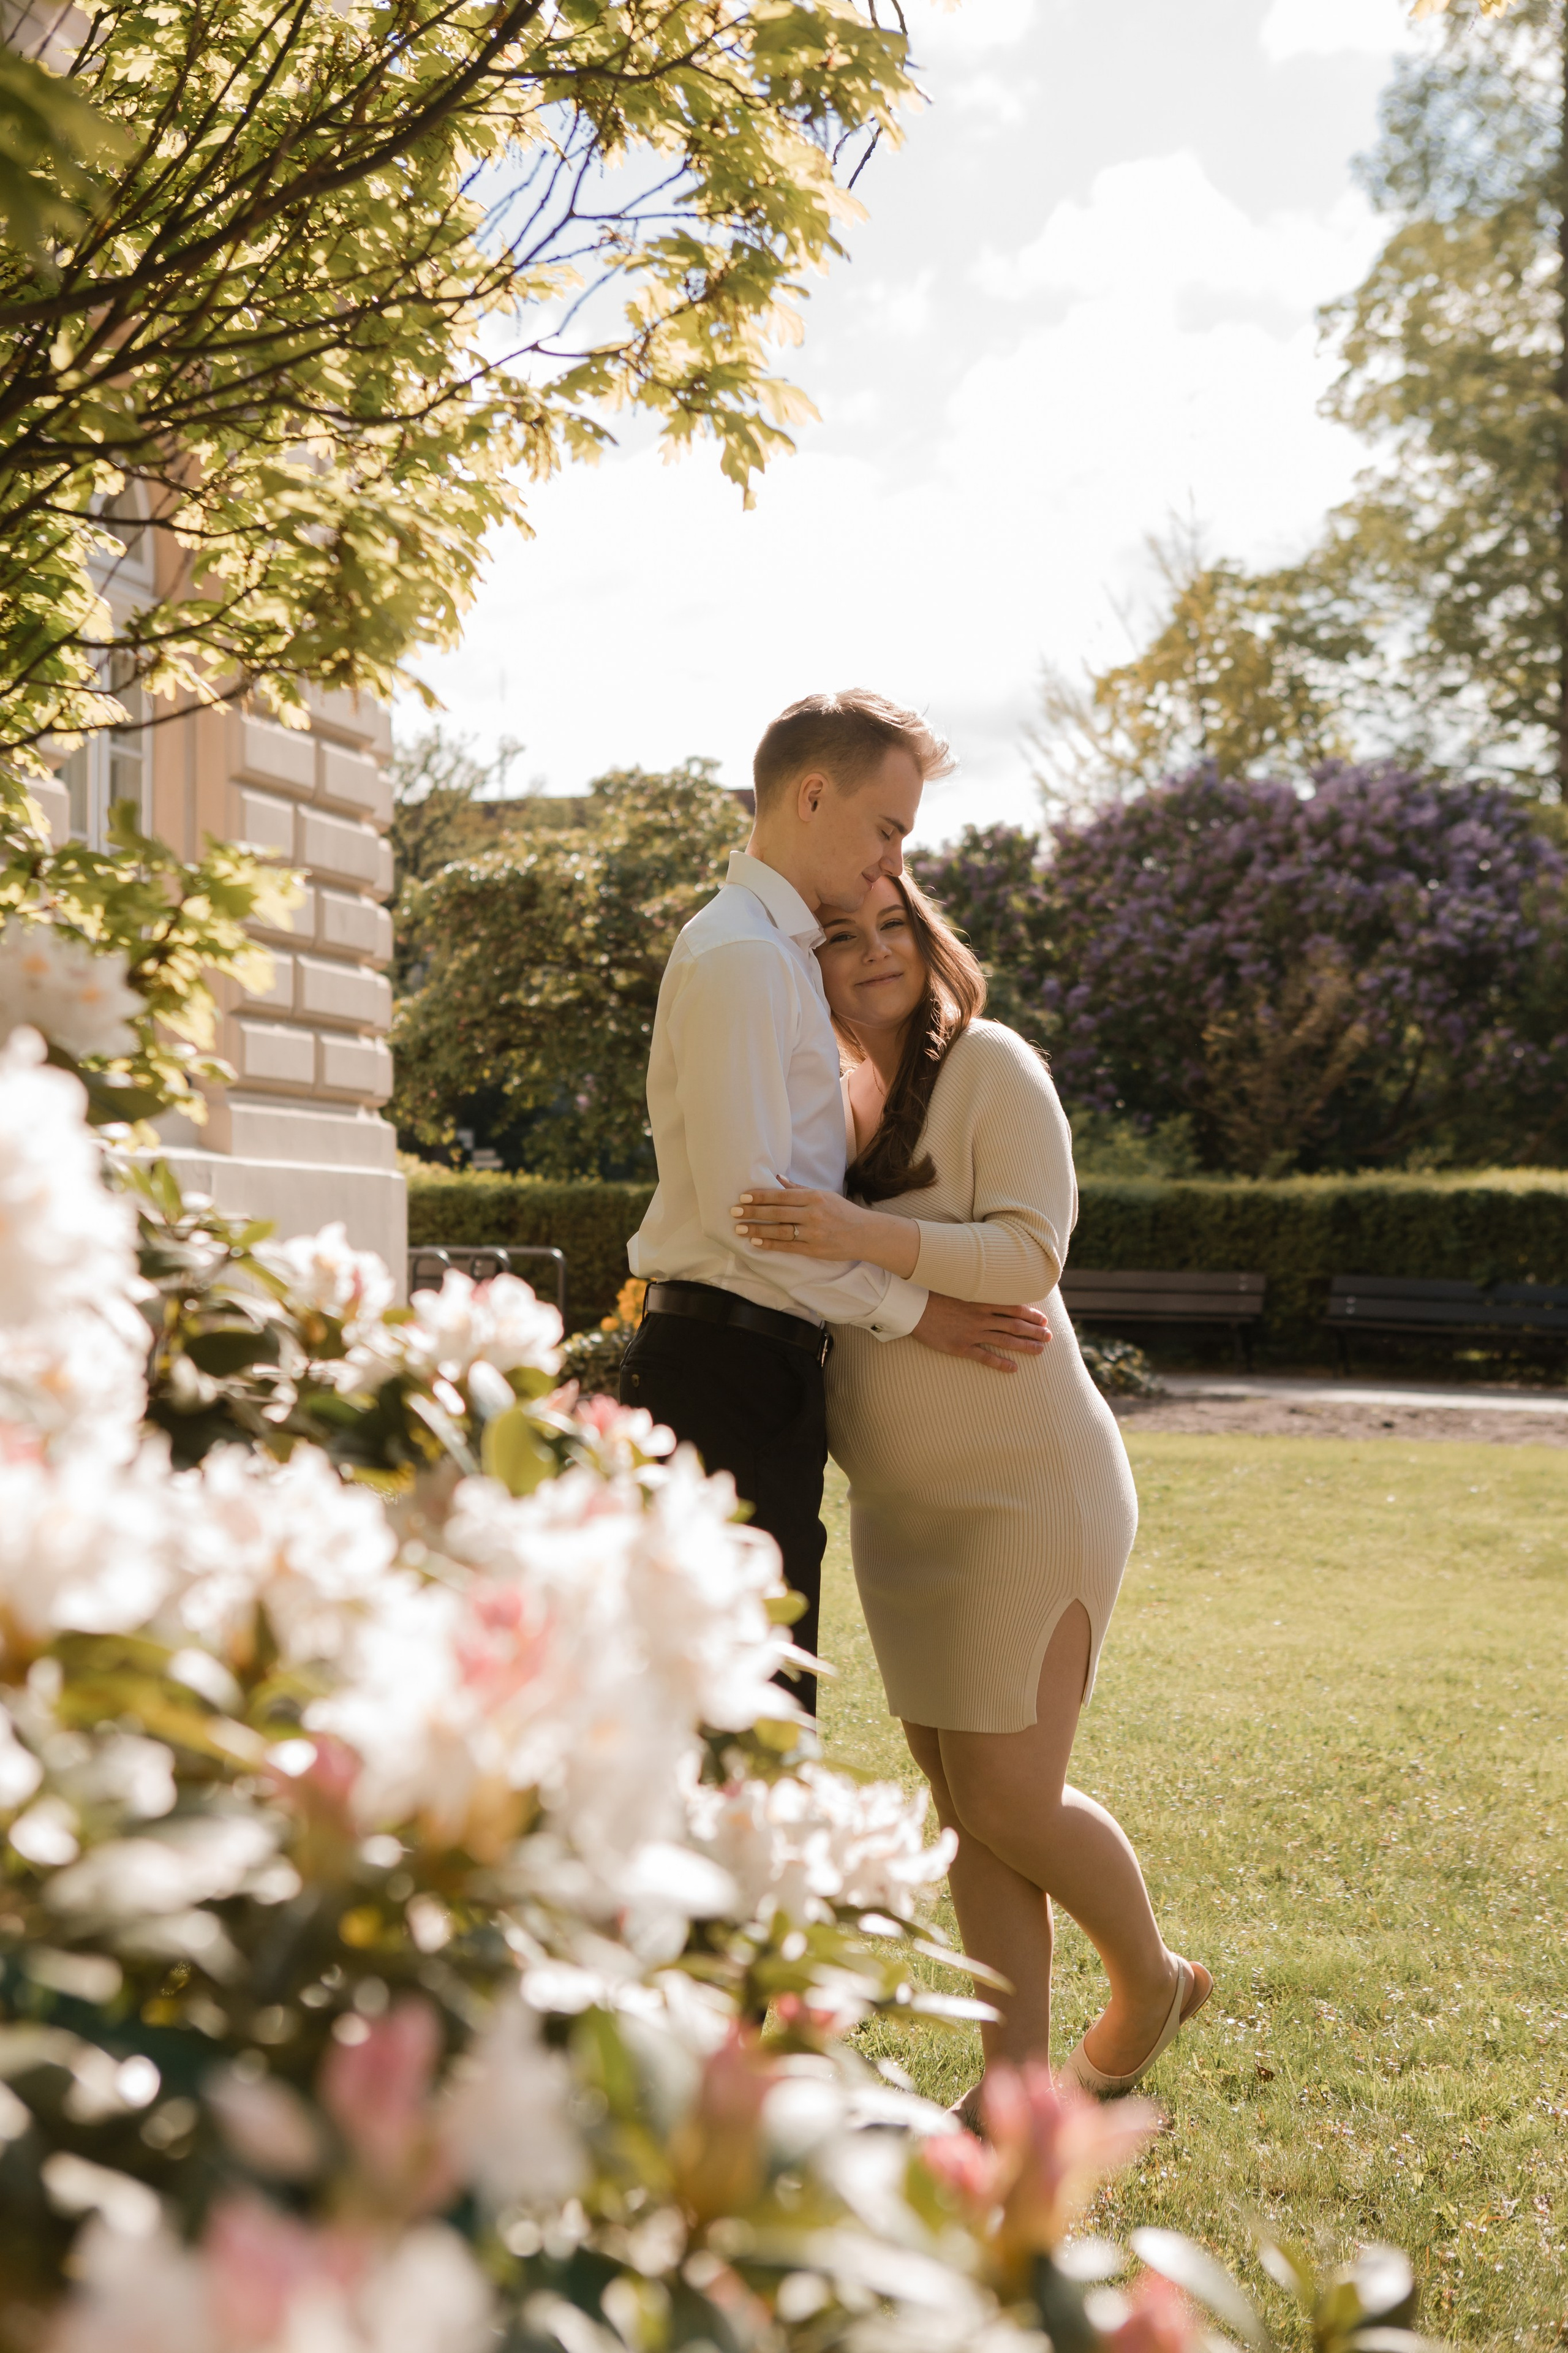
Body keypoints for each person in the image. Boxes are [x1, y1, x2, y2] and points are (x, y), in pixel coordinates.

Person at [729, 871, 1211, 2101]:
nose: (875, 950)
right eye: (842, 936)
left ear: (929, 939)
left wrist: (859, 1236)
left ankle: (1149, 1978)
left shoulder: (988, 1063)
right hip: (902, 1516)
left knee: (1009, 1790)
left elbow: (1026, 1251)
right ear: (809, 970)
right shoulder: (822, 1107)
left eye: (895, 924)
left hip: (1026, 1490)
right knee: (962, 1808)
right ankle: (1010, 2098)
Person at [619, 692, 1050, 1715]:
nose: (894, 862)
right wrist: (923, 1311)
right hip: (722, 1372)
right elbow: (754, 1217)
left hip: (750, 1372)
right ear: (814, 794)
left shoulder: (774, 958)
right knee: (736, 1721)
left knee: (753, 1706)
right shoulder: (743, 959)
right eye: (888, 829)